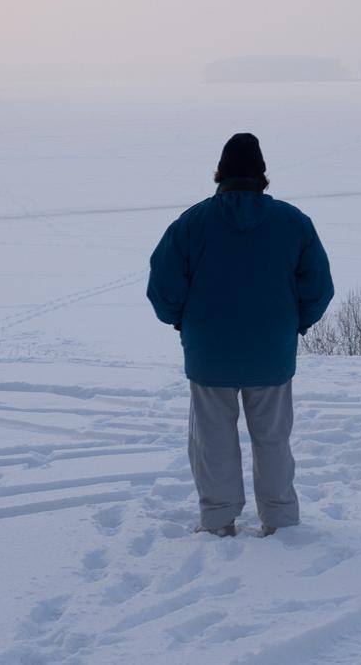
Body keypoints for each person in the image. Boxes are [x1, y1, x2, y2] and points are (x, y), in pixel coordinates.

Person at [147, 133, 334, 538]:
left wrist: (181, 321)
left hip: (209, 353)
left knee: (212, 441)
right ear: (262, 175)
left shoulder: (191, 223)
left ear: (220, 173)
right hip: (271, 353)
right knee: (273, 440)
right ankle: (280, 520)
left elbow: (163, 287)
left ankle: (218, 520)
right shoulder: (294, 222)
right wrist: (294, 324)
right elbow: (319, 289)